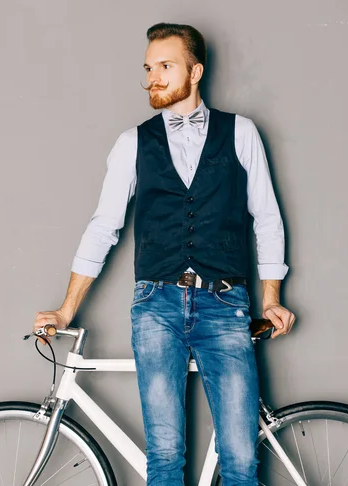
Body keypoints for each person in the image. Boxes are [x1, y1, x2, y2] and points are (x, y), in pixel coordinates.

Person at [33, 22, 296, 486]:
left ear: (194, 71)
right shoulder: (132, 142)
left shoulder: (241, 133)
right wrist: (66, 307)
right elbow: (103, 227)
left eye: (166, 66)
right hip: (155, 307)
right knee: (165, 458)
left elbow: (268, 217)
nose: (153, 77)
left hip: (225, 303)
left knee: (240, 460)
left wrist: (271, 298)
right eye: (149, 68)